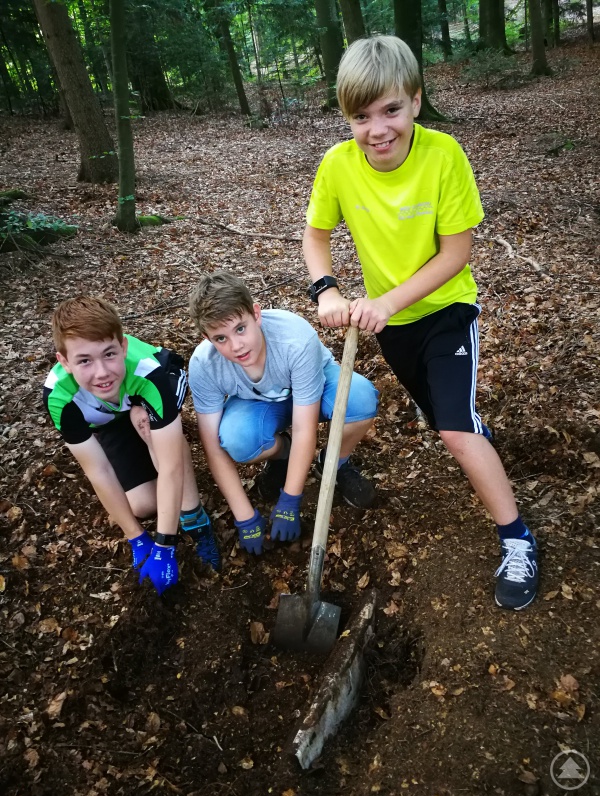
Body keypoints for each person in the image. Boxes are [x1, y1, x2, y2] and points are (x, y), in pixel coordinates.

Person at [302, 35, 538, 610]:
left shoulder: (443, 155)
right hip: (393, 330)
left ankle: (518, 539)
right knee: (442, 419)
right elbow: (316, 235)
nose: (377, 129)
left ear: (415, 100)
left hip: (444, 312)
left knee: (456, 429)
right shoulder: (337, 165)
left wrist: (387, 302)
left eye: (391, 110)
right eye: (361, 116)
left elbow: (457, 253)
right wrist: (326, 287)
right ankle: (458, 423)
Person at [187, 271, 379, 555]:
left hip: (315, 385)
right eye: (221, 338)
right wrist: (244, 516)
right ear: (207, 338)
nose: (236, 345)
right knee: (236, 440)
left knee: (360, 399)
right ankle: (282, 455)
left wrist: (290, 499)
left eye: (240, 328)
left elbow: (305, 426)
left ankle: (334, 463)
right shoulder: (204, 365)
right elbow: (212, 448)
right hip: (258, 402)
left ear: (256, 314)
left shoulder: (294, 339)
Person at [43, 296, 220, 595]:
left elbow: (171, 465)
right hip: (110, 415)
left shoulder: (152, 373)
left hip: (150, 388)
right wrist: (136, 537)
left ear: (123, 347)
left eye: (109, 354)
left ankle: (195, 519)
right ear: (64, 362)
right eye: (84, 360)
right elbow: (97, 470)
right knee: (142, 505)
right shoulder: (59, 398)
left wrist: (165, 544)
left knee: (148, 425)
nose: (101, 372)